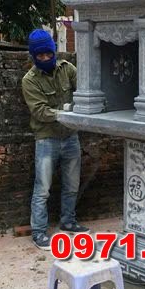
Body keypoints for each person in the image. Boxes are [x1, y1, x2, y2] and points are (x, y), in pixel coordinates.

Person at [22, 29, 89, 250]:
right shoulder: (30, 81)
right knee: (42, 189)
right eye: (39, 55)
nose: (45, 58)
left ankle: (68, 221)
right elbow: (40, 111)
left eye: (48, 54)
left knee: (72, 184)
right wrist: (68, 113)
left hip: (70, 136)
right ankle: (39, 232)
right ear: (34, 56)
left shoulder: (67, 69)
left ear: (53, 51)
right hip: (46, 139)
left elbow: (85, 90)